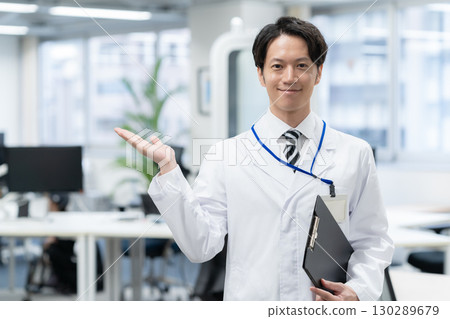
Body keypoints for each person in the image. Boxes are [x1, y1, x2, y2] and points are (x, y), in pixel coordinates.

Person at [115, 16, 394, 301]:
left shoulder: (354, 153)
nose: (289, 77)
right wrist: (168, 169)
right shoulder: (225, 155)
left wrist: (358, 292)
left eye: (301, 65)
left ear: (318, 72)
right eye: (277, 66)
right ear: (260, 74)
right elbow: (201, 246)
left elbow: (372, 240)